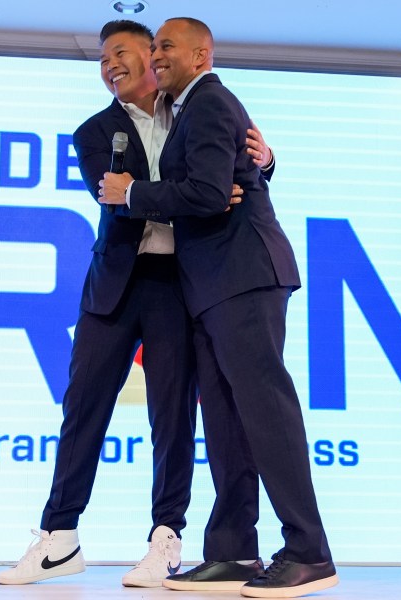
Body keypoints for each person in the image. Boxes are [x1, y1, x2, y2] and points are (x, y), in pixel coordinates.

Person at [0, 20, 274, 588]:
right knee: (84, 408)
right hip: (113, 287)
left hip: (177, 284)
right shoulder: (94, 131)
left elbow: (236, 169)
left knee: (172, 418)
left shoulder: (195, 110)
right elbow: (119, 200)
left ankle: (165, 539)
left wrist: (265, 164)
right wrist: (208, 198)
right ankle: (59, 537)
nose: (108, 66)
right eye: (102, 60)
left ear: (154, 55)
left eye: (119, 53)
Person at [100, 17, 339, 599]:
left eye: (166, 46)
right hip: (208, 287)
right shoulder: (190, 110)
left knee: (265, 411)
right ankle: (232, 551)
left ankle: (309, 552)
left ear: (201, 55)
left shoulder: (209, 102)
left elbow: (210, 194)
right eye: (153, 45)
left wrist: (131, 193)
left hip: (242, 276)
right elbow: (216, 185)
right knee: (228, 423)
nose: (155, 55)